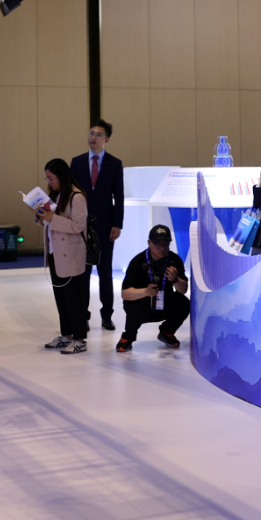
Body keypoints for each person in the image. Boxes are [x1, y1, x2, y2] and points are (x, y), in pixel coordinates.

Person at [71, 120, 124, 331]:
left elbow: (118, 196)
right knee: (82, 272)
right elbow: (70, 192)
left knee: (105, 272)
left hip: (105, 225)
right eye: (91, 133)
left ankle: (107, 315)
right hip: (81, 225)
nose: (93, 137)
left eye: (98, 134)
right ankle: (82, 315)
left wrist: (117, 224)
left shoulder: (115, 163)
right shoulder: (77, 162)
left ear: (106, 139)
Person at [38, 158, 90, 355]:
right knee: (61, 297)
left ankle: (80, 339)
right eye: (47, 179)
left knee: (74, 299)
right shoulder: (56, 195)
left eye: (51, 178)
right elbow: (48, 223)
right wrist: (40, 214)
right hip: (55, 253)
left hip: (71, 255)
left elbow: (78, 226)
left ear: (62, 176)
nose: (49, 182)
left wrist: (52, 218)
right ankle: (66, 335)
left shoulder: (77, 197)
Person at [115, 225, 189, 353]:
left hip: (165, 302)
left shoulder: (174, 260)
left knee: (184, 303)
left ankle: (167, 332)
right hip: (143, 304)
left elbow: (183, 290)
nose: (162, 248)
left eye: (166, 244)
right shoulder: (138, 261)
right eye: (158, 244)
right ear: (149, 243)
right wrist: (145, 292)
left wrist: (175, 280)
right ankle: (128, 336)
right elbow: (125, 293)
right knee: (132, 304)